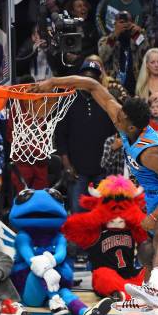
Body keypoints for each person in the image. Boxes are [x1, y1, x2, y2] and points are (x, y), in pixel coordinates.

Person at [32, 76, 158, 308]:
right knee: (146, 251)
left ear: (133, 127)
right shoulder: (125, 121)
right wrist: (54, 81)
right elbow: (93, 84)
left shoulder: (150, 153)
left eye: (122, 119)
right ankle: (150, 293)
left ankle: (156, 290)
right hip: (150, 195)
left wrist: (155, 216)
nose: (117, 118)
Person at [55, 60, 115, 212]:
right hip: (77, 170)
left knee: (102, 214)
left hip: (102, 170)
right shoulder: (68, 101)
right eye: (86, 77)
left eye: (94, 77)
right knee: (77, 213)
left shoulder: (107, 101)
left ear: (99, 80)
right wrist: (67, 165)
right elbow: (60, 137)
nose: (90, 81)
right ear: (80, 79)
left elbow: (115, 134)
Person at [98, 10, 150, 94]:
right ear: (115, 24)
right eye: (121, 22)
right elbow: (103, 56)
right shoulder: (106, 40)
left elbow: (148, 55)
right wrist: (115, 34)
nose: (125, 25)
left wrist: (139, 35)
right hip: (113, 88)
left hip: (135, 86)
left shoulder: (136, 38)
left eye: (127, 22)